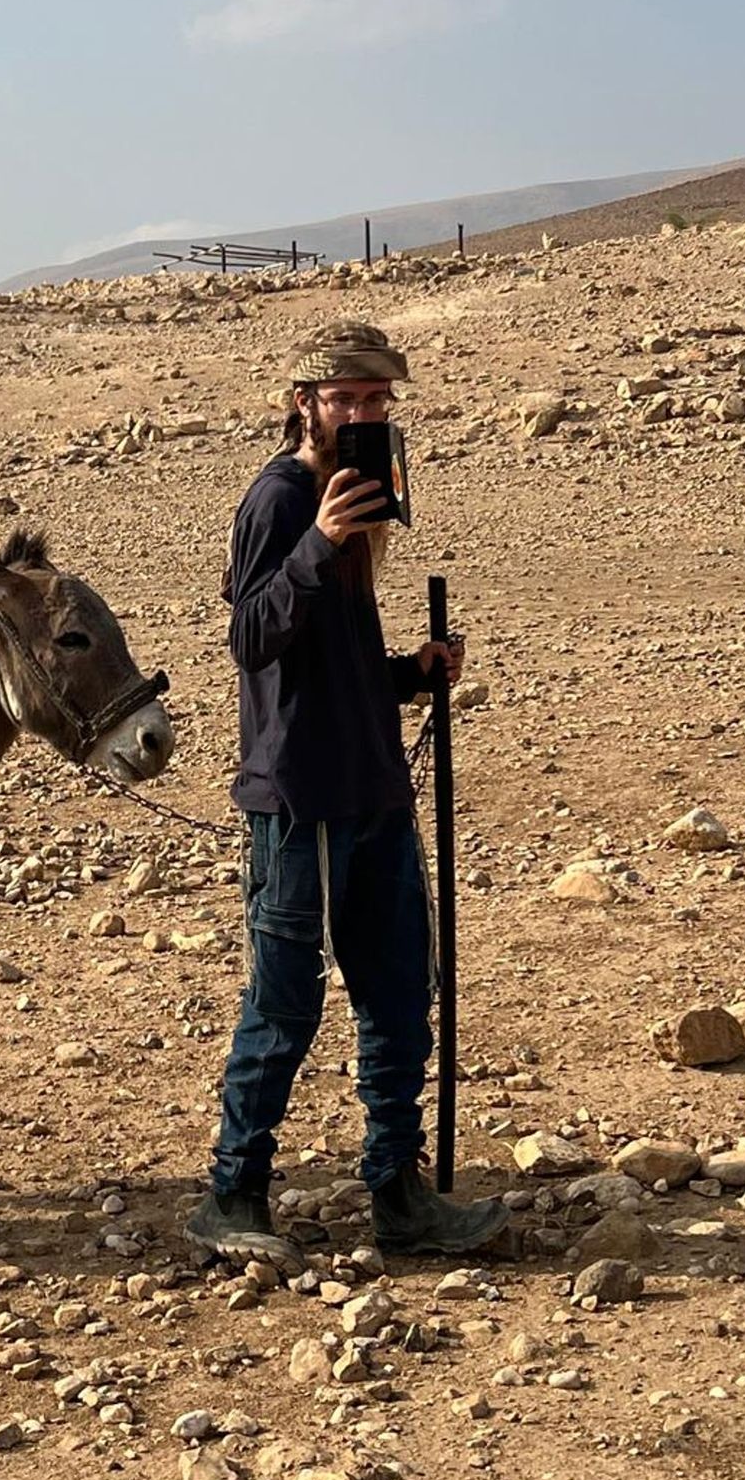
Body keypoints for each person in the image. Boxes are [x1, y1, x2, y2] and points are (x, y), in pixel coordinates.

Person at [185, 320, 507, 1263]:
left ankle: (397, 1193)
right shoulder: (282, 499)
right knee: (285, 1004)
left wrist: (411, 671)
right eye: (348, 398)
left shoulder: (356, 498)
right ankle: (232, 1193)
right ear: (305, 401)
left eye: (377, 402)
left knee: (400, 990)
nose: (363, 414)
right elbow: (252, 639)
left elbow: (333, 655)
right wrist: (319, 543)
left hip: (371, 788)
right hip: (301, 800)